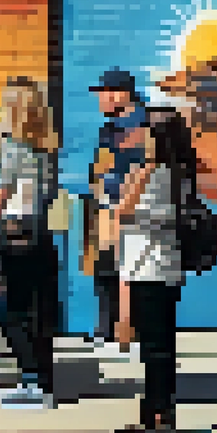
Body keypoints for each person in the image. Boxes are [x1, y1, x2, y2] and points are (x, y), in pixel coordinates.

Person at [105, 108, 189, 433]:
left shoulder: (159, 174)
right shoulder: (173, 173)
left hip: (151, 268)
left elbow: (124, 212)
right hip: (157, 267)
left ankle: (157, 414)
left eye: (146, 130)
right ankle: (159, 411)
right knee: (159, 346)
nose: (140, 135)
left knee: (155, 348)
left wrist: (137, 179)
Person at [0, 77, 61, 409]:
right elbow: (49, 195)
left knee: (8, 311)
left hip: (14, 235)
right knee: (38, 312)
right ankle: (42, 381)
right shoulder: (47, 149)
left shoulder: (13, 147)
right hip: (40, 233)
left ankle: (30, 378)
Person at [87, 68, 146, 355]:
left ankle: (128, 333)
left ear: (121, 94)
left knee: (131, 270)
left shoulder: (142, 124)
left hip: (132, 207)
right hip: (108, 203)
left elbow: (141, 168)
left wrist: (123, 202)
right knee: (106, 266)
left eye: (104, 94)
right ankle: (108, 329)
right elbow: (102, 164)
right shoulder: (109, 127)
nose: (100, 100)